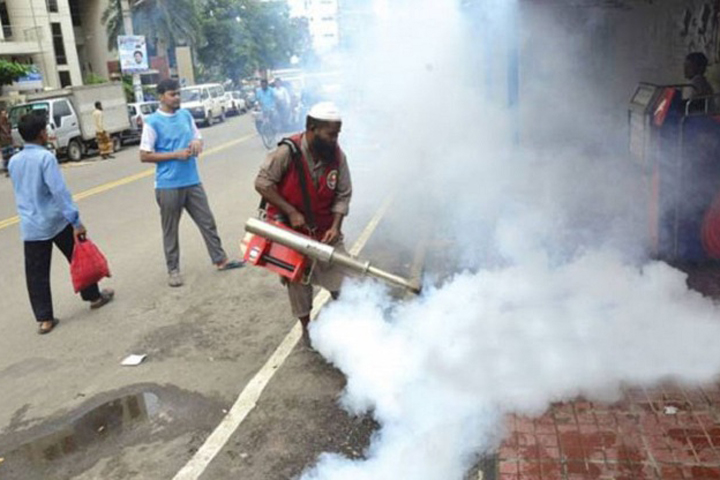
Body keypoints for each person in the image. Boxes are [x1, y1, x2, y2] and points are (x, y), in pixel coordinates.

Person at [8, 112, 114, 335]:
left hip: (31, 225)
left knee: (36, 273)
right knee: (78, 258)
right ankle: (94, 297)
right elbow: (58, 192)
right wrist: (76, 221)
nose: (47, 133)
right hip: (56, 221)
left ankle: (44, 319)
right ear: (41, 134)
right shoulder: (45, 158)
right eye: (45, 130)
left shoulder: (14, 161)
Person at [254, 102, 352, 343]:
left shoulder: (338, 156)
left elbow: (342, 194)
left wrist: (335, 226)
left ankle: (351, 324)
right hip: (290, 231)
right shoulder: (287, 152)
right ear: (312, 128)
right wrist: (291, 211)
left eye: (337, 134)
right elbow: (262, 183)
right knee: (297, 281)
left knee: (343, 279)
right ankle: (308, 331)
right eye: (330, 134)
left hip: (324, 229)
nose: (334, 139)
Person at [140, 78, 243, 288]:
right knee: (171, 229)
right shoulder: (153, 122)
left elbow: (198, 136)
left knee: (207, 221)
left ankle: (220, 259)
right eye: (172, 94)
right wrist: (175, 154)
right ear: (162, 97)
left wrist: (197, 142)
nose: (177, 97)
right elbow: (144, 155)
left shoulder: (186, 115)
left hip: (192, 180)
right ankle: (173, 270)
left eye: (178, 93)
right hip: (168, 184)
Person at [0, 109, 13, 177]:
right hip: (3, 142)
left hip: (9, 141)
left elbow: (10, 130)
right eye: (3, 114)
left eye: (5, 113)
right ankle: (7, 170)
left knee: (11, 156)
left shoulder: (8, 123)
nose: (4, 115)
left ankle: (11, 169)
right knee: (5, 157)